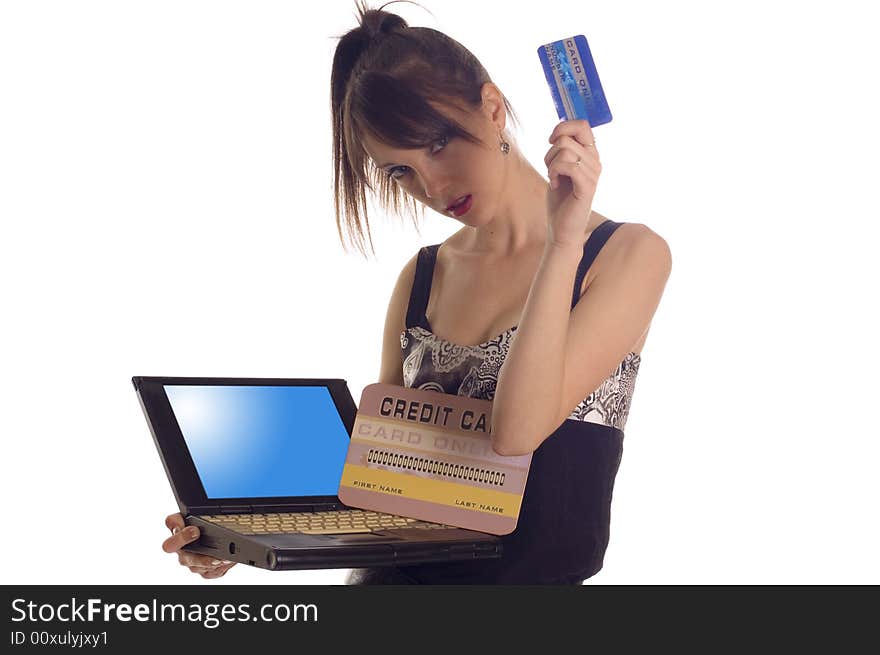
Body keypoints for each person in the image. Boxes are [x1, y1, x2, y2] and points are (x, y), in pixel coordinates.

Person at [162, 0, 672, 584]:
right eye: (399, 171)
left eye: (434, 144)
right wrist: (239, 532)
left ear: (492, 107)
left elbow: (516, 432)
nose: (429, 186)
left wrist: (562, 244)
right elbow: (377, 480)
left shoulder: (627, 254)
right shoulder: (424, 273)